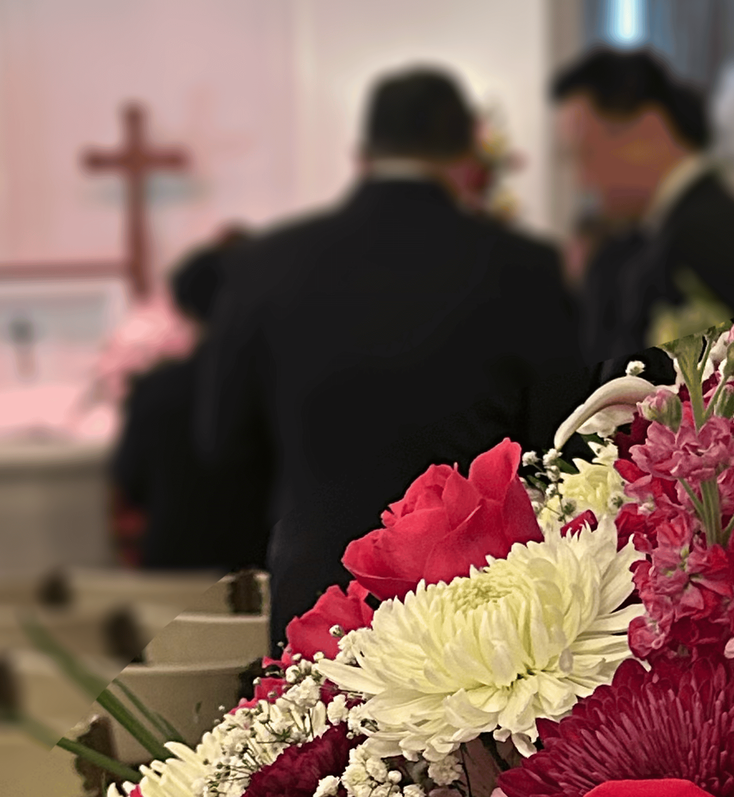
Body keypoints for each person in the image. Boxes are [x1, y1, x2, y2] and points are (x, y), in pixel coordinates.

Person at [196, 66, 587, 635]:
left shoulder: (266, 265)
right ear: (467, 151)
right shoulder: (523, 267)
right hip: (478, 599)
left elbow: (220, 440)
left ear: (364, 152)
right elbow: (564, 435)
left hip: (317, 588)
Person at [549, 44, 734, 374]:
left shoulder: (702, 234)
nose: (583, 182)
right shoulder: (687, 221)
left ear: (647, 131)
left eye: (587, 154)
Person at [110, 240, 272, 572]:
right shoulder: (272, 384)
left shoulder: (156, 387)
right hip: (256, 567)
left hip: (172, 568)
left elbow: (129, 479)